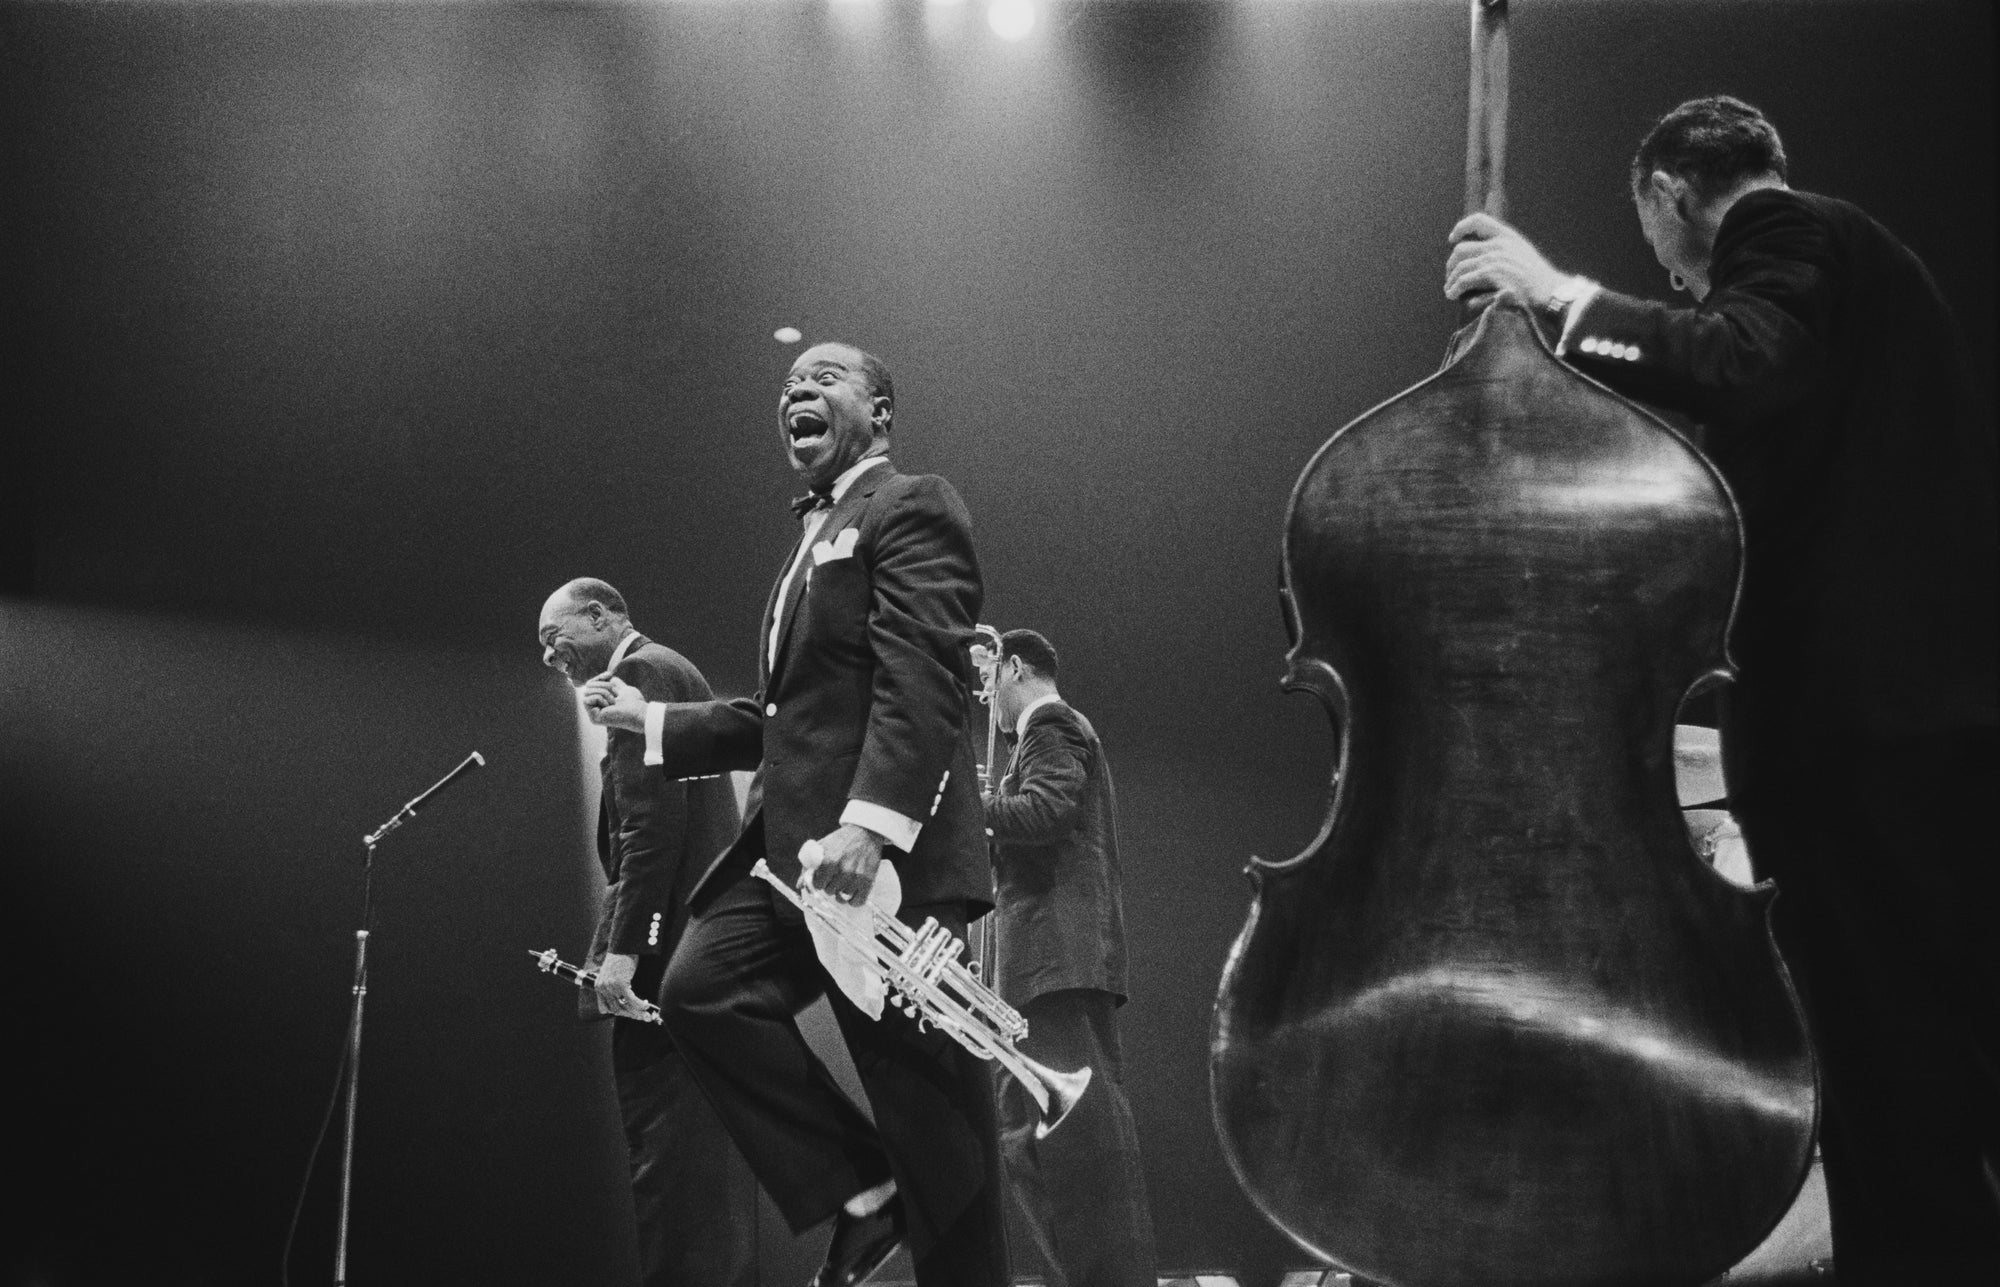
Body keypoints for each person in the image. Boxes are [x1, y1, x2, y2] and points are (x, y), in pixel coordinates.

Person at [1444, 95, 1999, 1278]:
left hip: (1860, 741)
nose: (1673, 276)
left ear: (1669, 195)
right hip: (1889, 728)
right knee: (1904, 1075)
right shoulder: (1857, 283)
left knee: (1891, 1076)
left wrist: (1555, 295)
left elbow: (1740, 361)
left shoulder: (1789, 237)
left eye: (1651, 239)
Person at [583, 342, 1009, 1287]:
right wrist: (655, 721)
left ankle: (929, 1226)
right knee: (697, 988)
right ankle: (862, 1196)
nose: (797, 392)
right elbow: (788, 719)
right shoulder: (807, 544)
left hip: (883, 864)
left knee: (935, 1130)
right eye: (787, 385)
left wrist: (871, 824)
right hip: (791, 863)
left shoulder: (912, 504)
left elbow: (923, 672)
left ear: (881, 411)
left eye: (823, 378)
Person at [534, 577, 758, 1287]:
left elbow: (649, 831)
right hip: (706, 953)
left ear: (601, 615)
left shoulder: (639, 674)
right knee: (710, 1175)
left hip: (665, 966)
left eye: (554, 635)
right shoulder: (675, 669)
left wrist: (623, 955)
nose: (549, 656)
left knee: (672, 1171)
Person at [980, 628, 1157, 1287]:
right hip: (1041, 968)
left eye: (990, 681)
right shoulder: (1038, 731)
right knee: (1028, 1140)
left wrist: (979, 808)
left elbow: (1048, 811)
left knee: (1078, 1149)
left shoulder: (1049, 720)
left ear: (1015, 666)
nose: (987, 700)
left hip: (1054, 965)